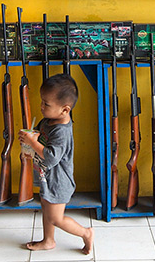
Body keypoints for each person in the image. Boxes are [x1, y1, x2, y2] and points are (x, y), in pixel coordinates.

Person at [17, 73, 94, 255]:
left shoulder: (61, 132)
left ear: (65, 110)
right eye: (42, 101)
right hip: (48, 179)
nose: (41, 106)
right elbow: (42, 141)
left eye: (46, 104)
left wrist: (32, 143)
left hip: (59, 182)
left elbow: (51, 157)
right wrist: (30, 142)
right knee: (46, 208)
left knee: (56, 218)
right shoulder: (49, 121)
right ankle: (48, 240)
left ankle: (86, 233)